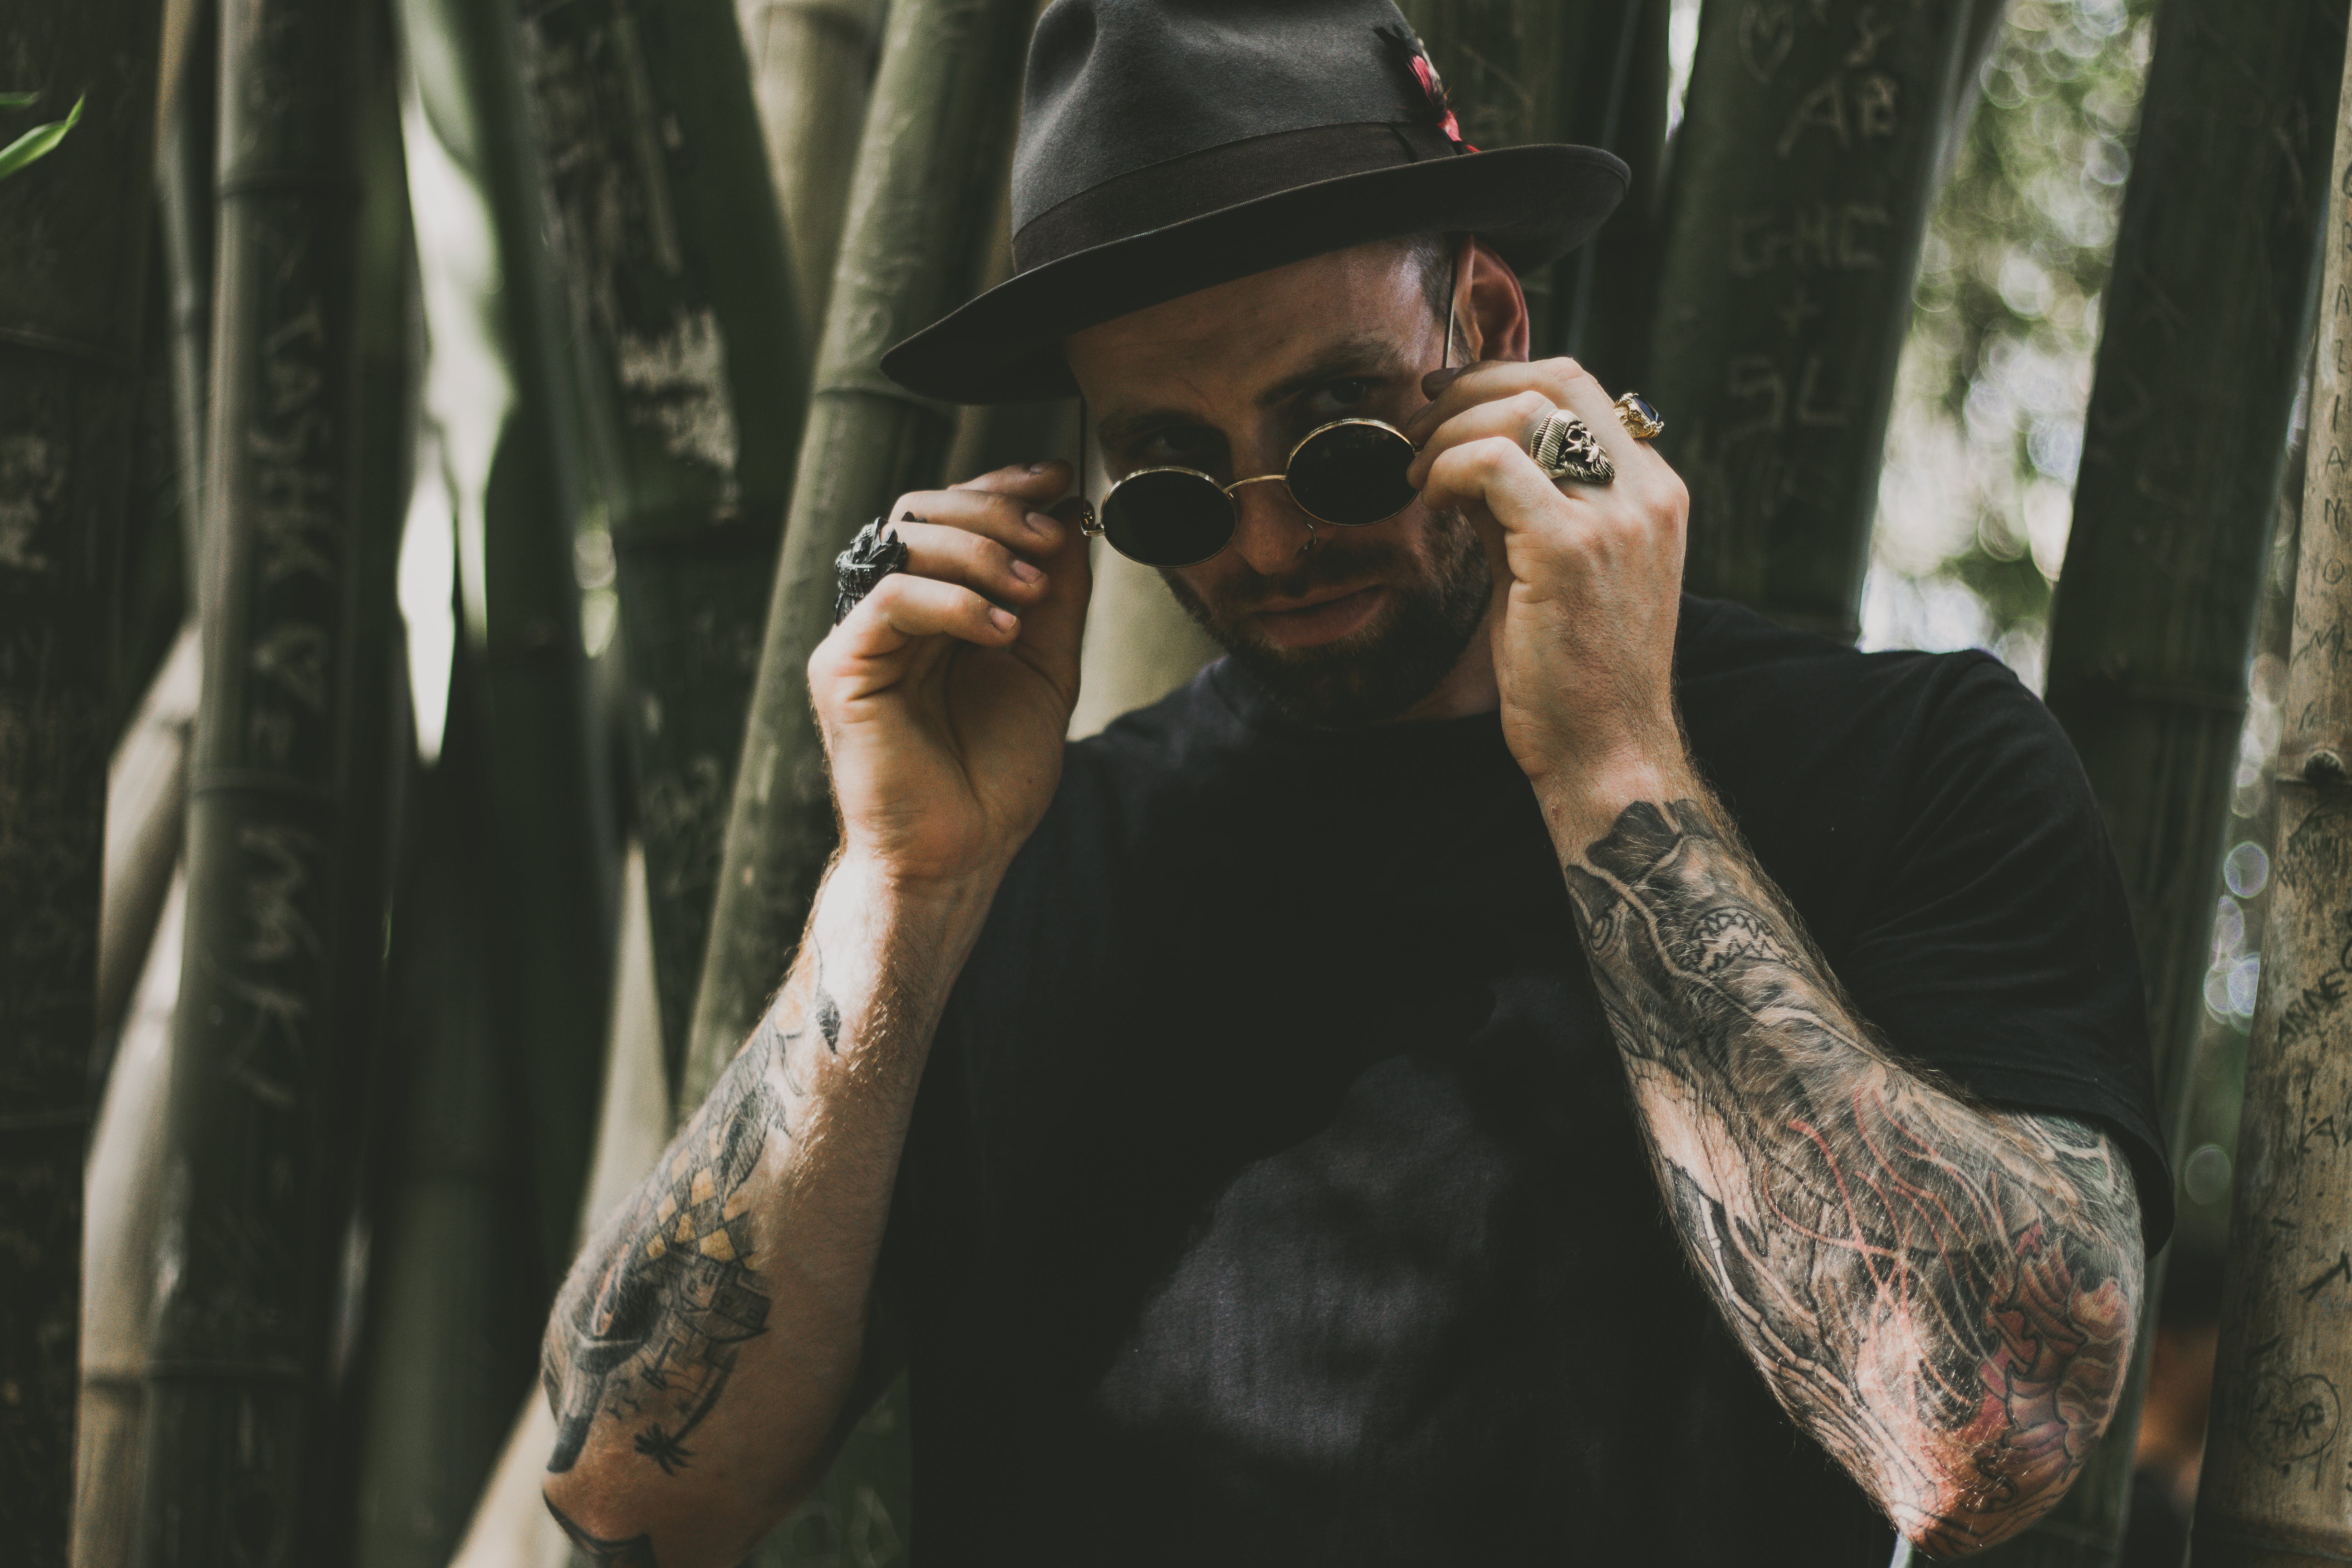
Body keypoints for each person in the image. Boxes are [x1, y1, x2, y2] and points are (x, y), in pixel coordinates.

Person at [536, 3, 2171, 1563]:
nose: (1265, 539)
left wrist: (1612, 766)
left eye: (1338, 440)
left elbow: (1990, 1436)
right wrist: (900, 892)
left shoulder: (1907, 765)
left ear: (1492, 336)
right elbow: (628, 1489)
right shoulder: (1015, 865)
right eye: (1172, 480)